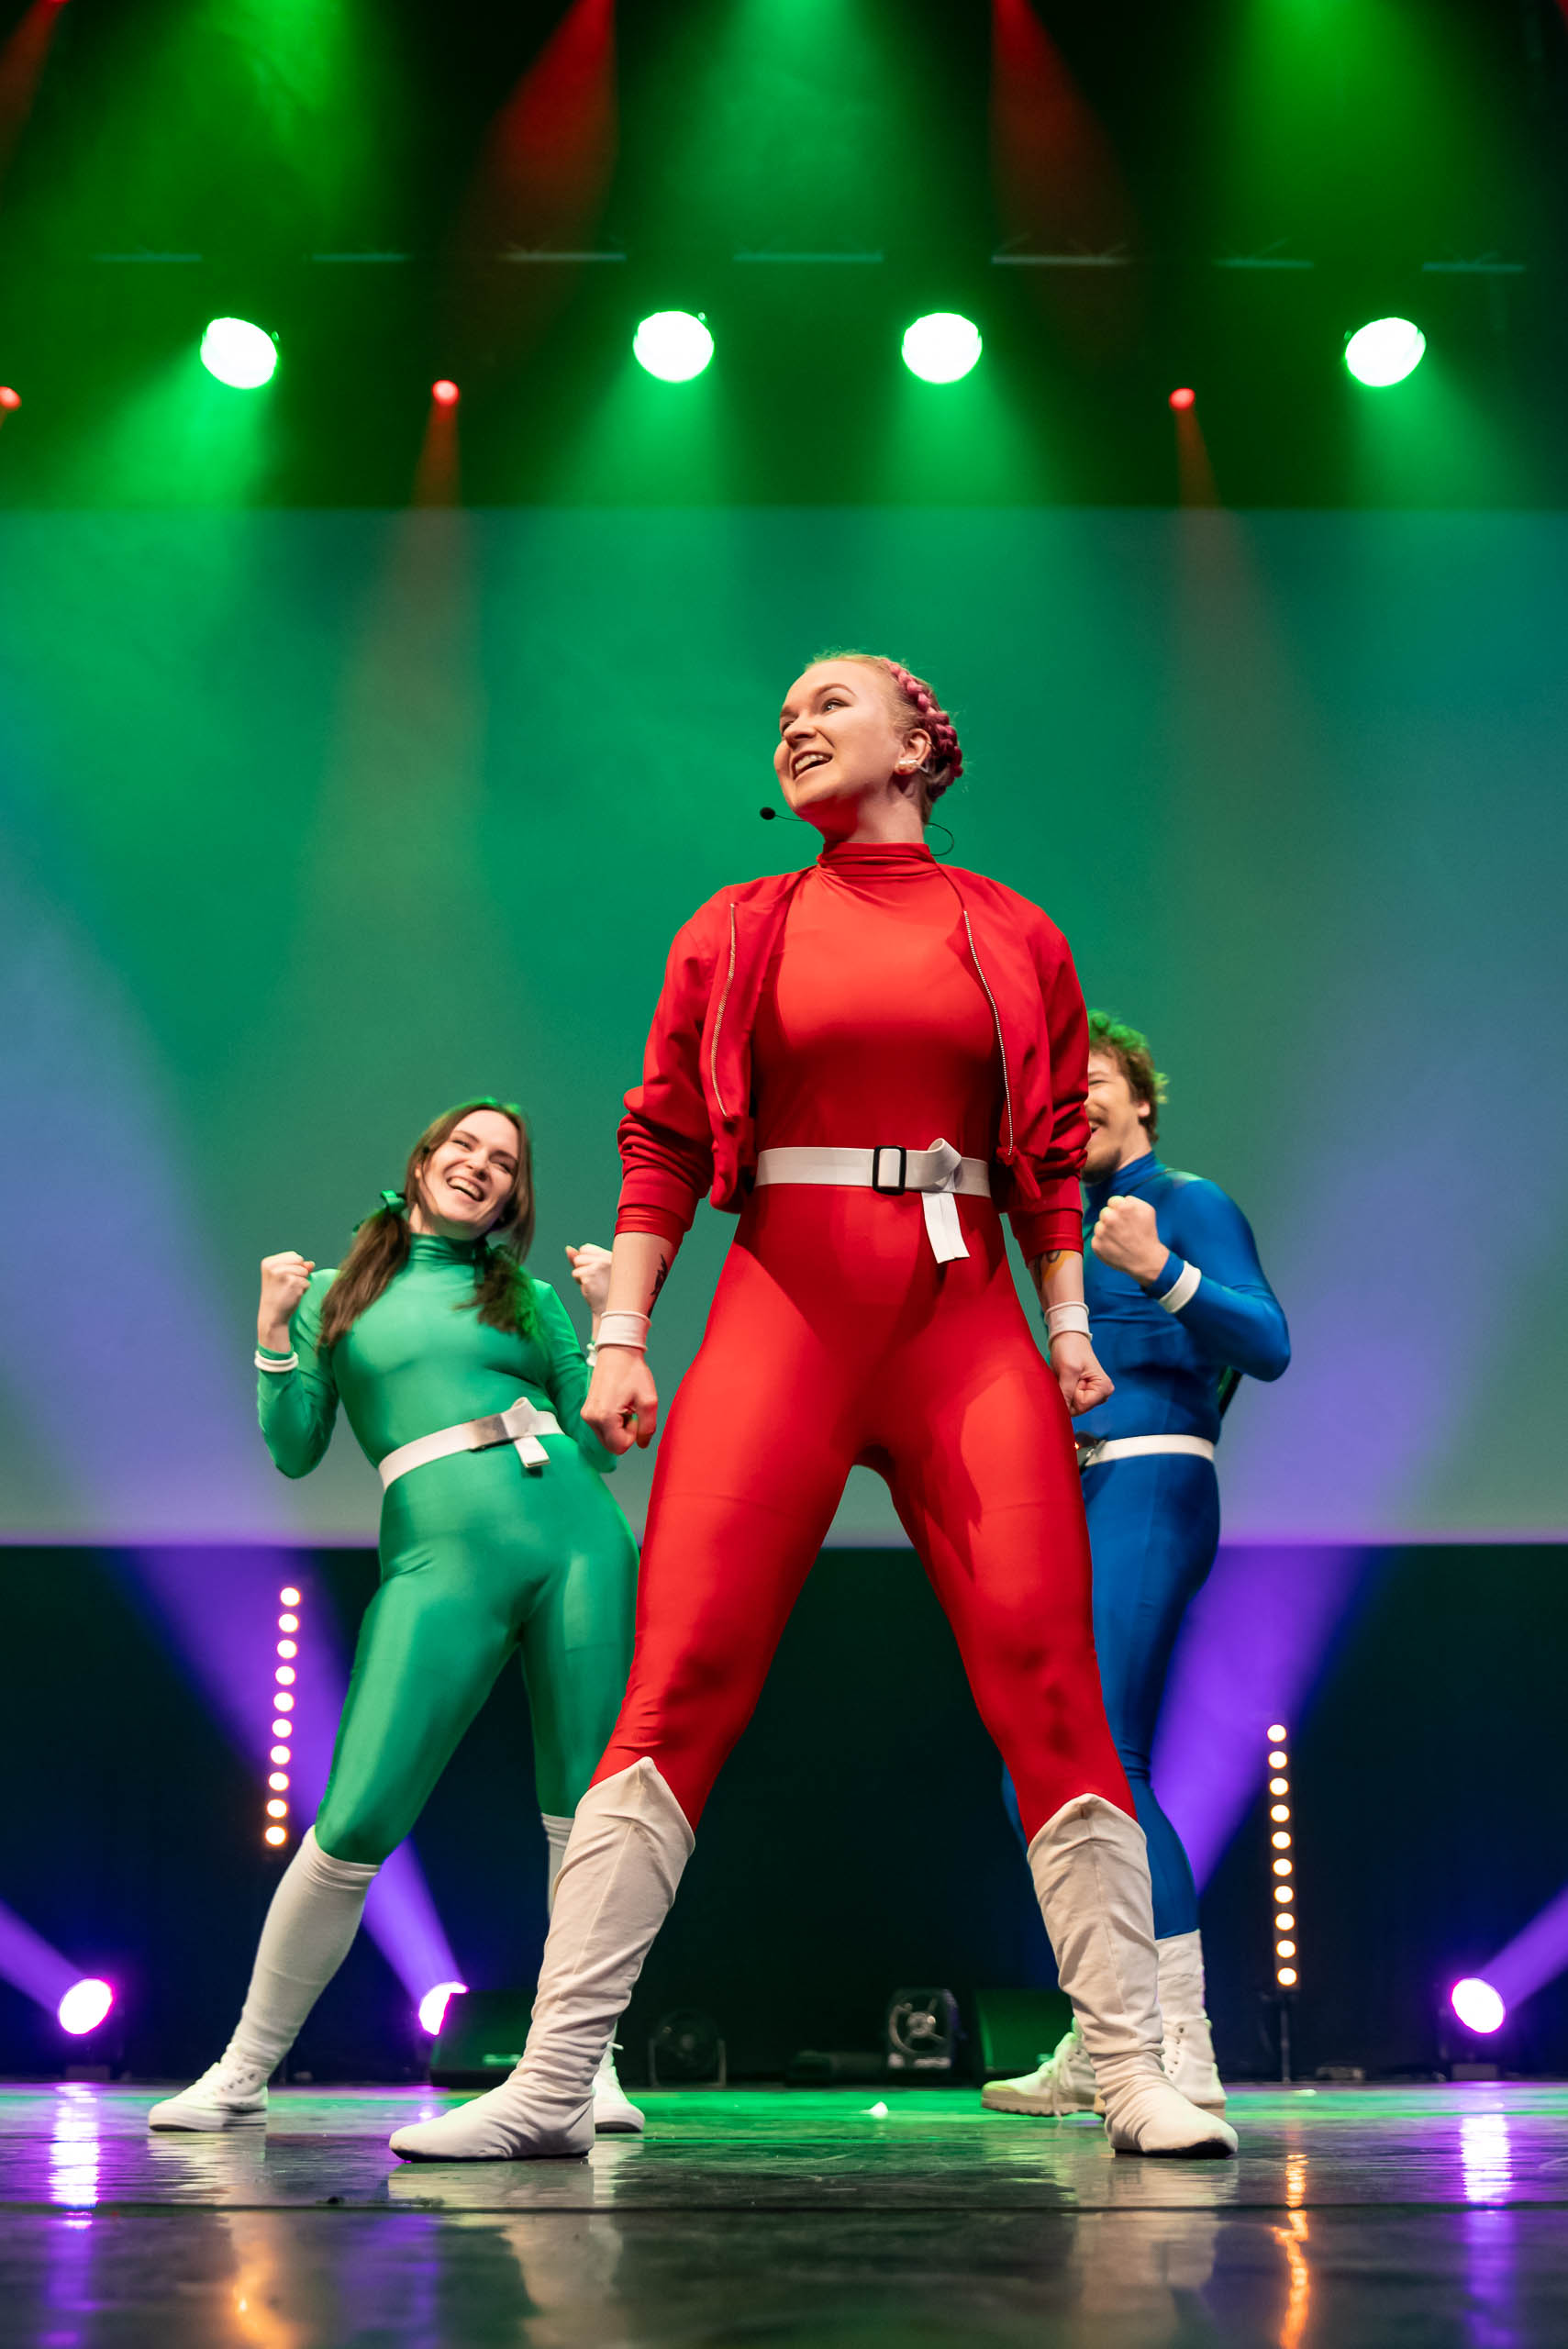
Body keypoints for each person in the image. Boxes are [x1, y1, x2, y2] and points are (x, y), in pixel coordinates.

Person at [389, 659, 1238, 2164]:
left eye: (830, 703)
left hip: (963, 1321)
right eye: (781, 710)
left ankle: (1129, 2068)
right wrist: (621, 1335)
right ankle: (554, 2079)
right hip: (784, 1305)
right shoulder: (735, 926)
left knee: (1050, 1685)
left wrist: (1062, 1325)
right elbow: (661, 1136)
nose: (793, 723)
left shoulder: (1013, 931)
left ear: (918, 744)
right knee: (677, 1683)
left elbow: (1045, 1155)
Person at [148, 1100, 642, 2134]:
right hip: (439, 1558)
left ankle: (584, 2065)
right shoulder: (339, 1295)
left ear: (511, 1199)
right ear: (422, 1162)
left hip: (576, 1540)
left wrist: (608, 1319)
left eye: (503, 1162)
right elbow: (295, 1448)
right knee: (356, 1818)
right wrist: (271, 1333)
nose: (481, 1166)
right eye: (465, 1146)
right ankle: (242, 2069)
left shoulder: (528, 1296)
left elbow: (604, 1443)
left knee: (585, 1814)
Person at [984, 1016, 1288, 2121]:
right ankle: (1106, 2031)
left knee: (1104, 1761)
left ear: (1143, 1100)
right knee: (1037, 1768)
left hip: (1151, 1480)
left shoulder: (1184, 1200)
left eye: (1096, 1079)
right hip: (1073, 1498)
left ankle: (1176, 2043)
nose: (1077, 1099)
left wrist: (1157, 1265)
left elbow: (1267, 1344)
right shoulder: (1058, 1229)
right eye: (1059, 1089)